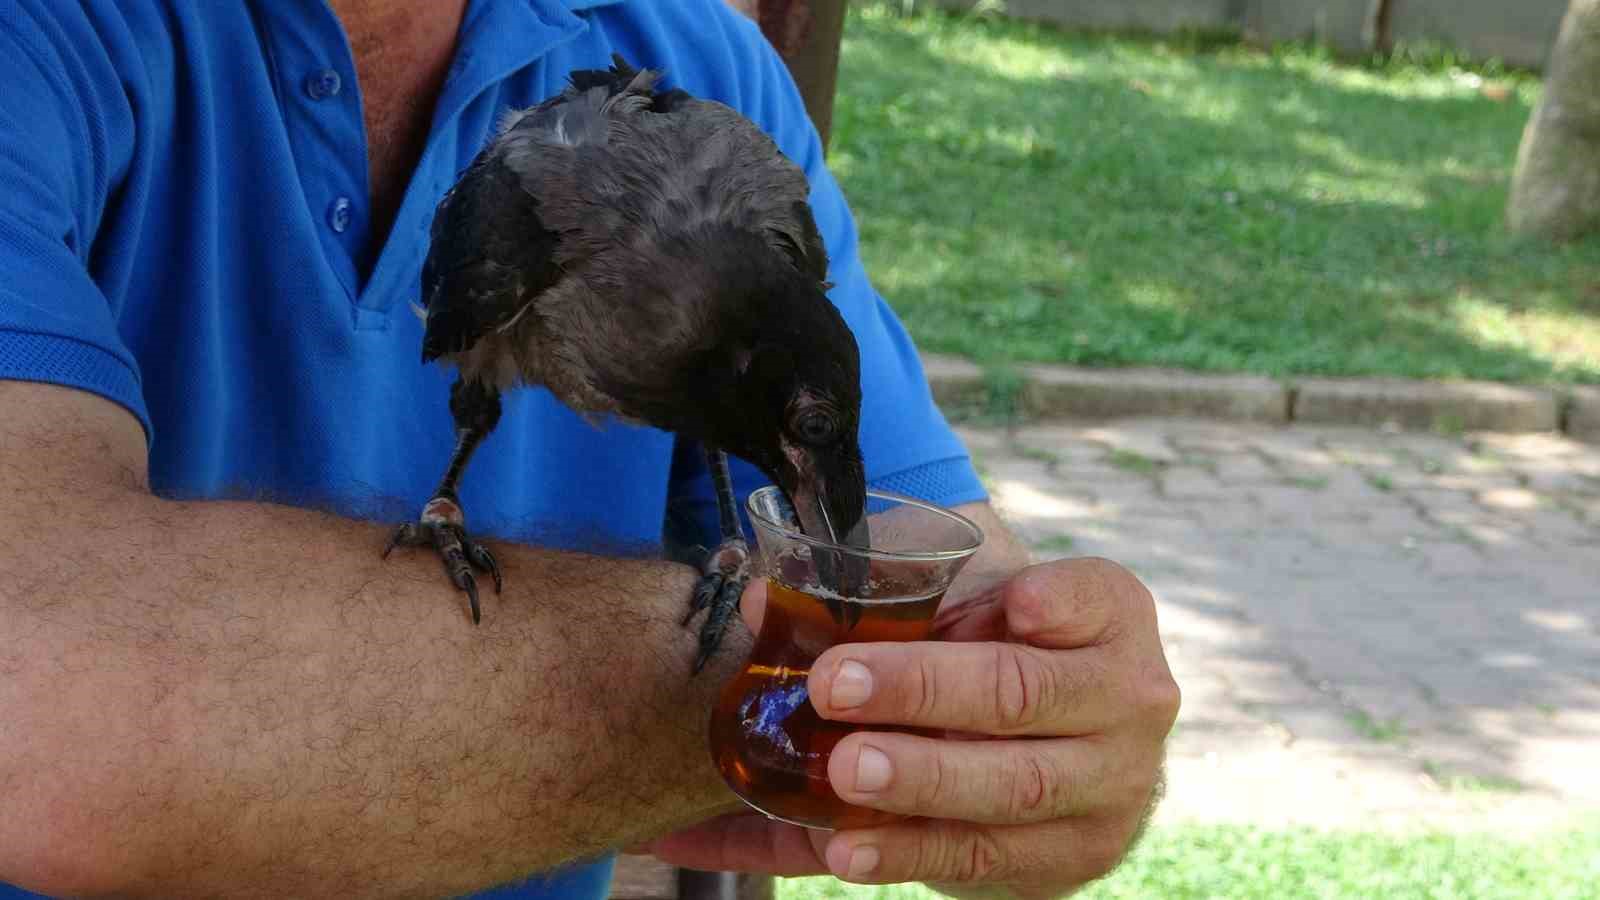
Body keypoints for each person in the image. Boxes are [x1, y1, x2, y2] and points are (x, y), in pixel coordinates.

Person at [0, 1, 1179, 897]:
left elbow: (954, 586)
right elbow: (45, 712)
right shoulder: (49, 40)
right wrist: (806, 701)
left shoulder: (701, 75)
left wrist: (1037, 718)